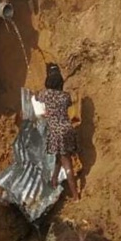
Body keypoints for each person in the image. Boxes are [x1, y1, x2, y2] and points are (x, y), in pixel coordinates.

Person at [33, 62, 79, 200]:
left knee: (67, 161)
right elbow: (68, 104)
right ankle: (54, 181)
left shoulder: (45, 94)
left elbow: (36, 98)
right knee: (61, 156)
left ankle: (75, 195)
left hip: (56, 132)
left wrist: (36, 94)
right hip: (67, 129)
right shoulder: (65, 96)